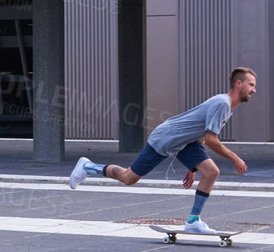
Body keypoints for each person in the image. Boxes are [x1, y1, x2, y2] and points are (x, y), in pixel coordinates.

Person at [68, 68, 257, 234]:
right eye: (251, 85)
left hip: (185, 142)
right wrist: (235, 158)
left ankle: (193, 221)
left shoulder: (226, 106)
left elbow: (200, 134)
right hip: (165, 138)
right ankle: (88, 166)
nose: (254, 90)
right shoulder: (222, 104)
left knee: (211, 171)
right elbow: (211, 140)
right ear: (238, 84)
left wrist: (193, 167)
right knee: (128, 178)